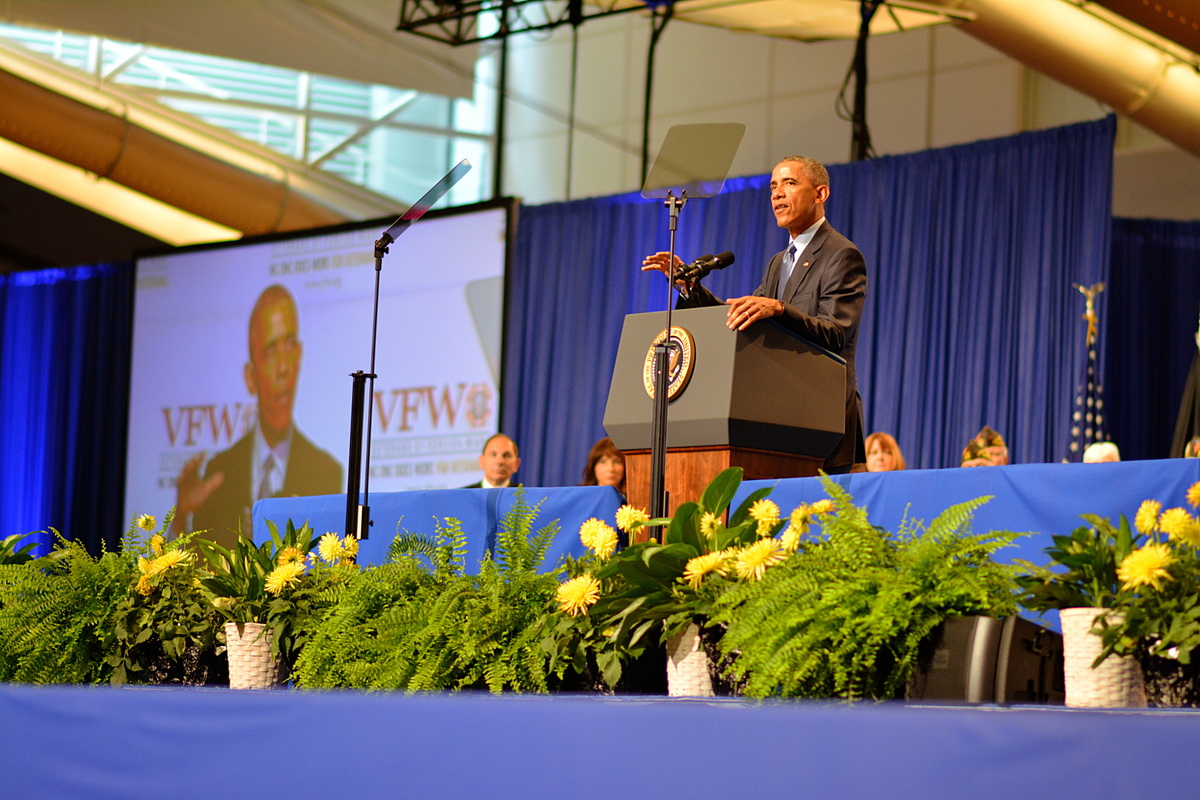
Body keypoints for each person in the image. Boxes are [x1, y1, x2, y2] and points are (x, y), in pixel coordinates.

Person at [642, 155, 868, 473]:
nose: (777, 194)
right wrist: (688, 286)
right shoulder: (779, 261)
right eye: (773, 186)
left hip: (823, 421)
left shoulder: (841, 254)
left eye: (790, 183)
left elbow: (834, 334)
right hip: (778, 418)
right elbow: (741, 319)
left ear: (820, 194)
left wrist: (779, 308)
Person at [173, 284, 342, 547]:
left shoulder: (325, 473)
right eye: (271, 351)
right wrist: (182, 516)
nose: (284, 367)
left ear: (300, 356)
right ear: (251, 377)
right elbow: (199, 564)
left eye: (291, 345)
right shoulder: (220, 473)